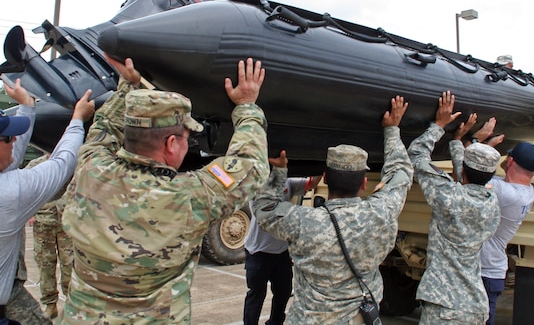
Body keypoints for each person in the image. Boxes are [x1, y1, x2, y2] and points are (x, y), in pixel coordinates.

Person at [59, 56, 270, 324]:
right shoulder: (189, 196)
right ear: (171, 143)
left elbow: (103, 129)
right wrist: (247, 106)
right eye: (187, 138)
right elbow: (250, 166)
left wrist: (129, 86)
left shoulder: (90, 168)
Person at [254, 95, 413, 324]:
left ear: (326, 178)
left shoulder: (302, 222)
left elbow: (264, 208)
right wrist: (392, 130)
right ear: (364, 182)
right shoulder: (382, 212)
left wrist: (279, 172)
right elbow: (400, 173)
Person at [0, 80, 95, 325]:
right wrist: (77, 120)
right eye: (9, 138)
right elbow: (61, 166)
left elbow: (8, 161)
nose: (15, 142)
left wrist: (27, 106)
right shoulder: (8, 194)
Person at [407, 91, 501, 324]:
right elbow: (468, 177)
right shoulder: (492, 205)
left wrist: (439, 125)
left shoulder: (449, 196)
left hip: (444, 306)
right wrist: (459, 142)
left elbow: (416, 155)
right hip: (475, 306)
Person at [243, 150, 321, 325]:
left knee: (283, 293)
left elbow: (311, 184)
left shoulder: (289, 181)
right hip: (258, 251)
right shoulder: (256, 184)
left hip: (281, 253)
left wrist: (320, 162)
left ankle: (275, 323)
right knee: (256, 296)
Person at [480, 140, 534, 325]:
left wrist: (482, 144)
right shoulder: (526, 191)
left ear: (511, 161)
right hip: (492, 270)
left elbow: (469, 176)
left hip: (485, 272)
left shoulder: (506, 193)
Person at [29, 153, 74, 320]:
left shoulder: (71, 163)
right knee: (45, 265)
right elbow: (26, 189)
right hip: (43, 221)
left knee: (70, 265)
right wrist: (30, 212)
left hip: (67, 224)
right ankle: (50, 304)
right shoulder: (37, 164)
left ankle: (70, 304)